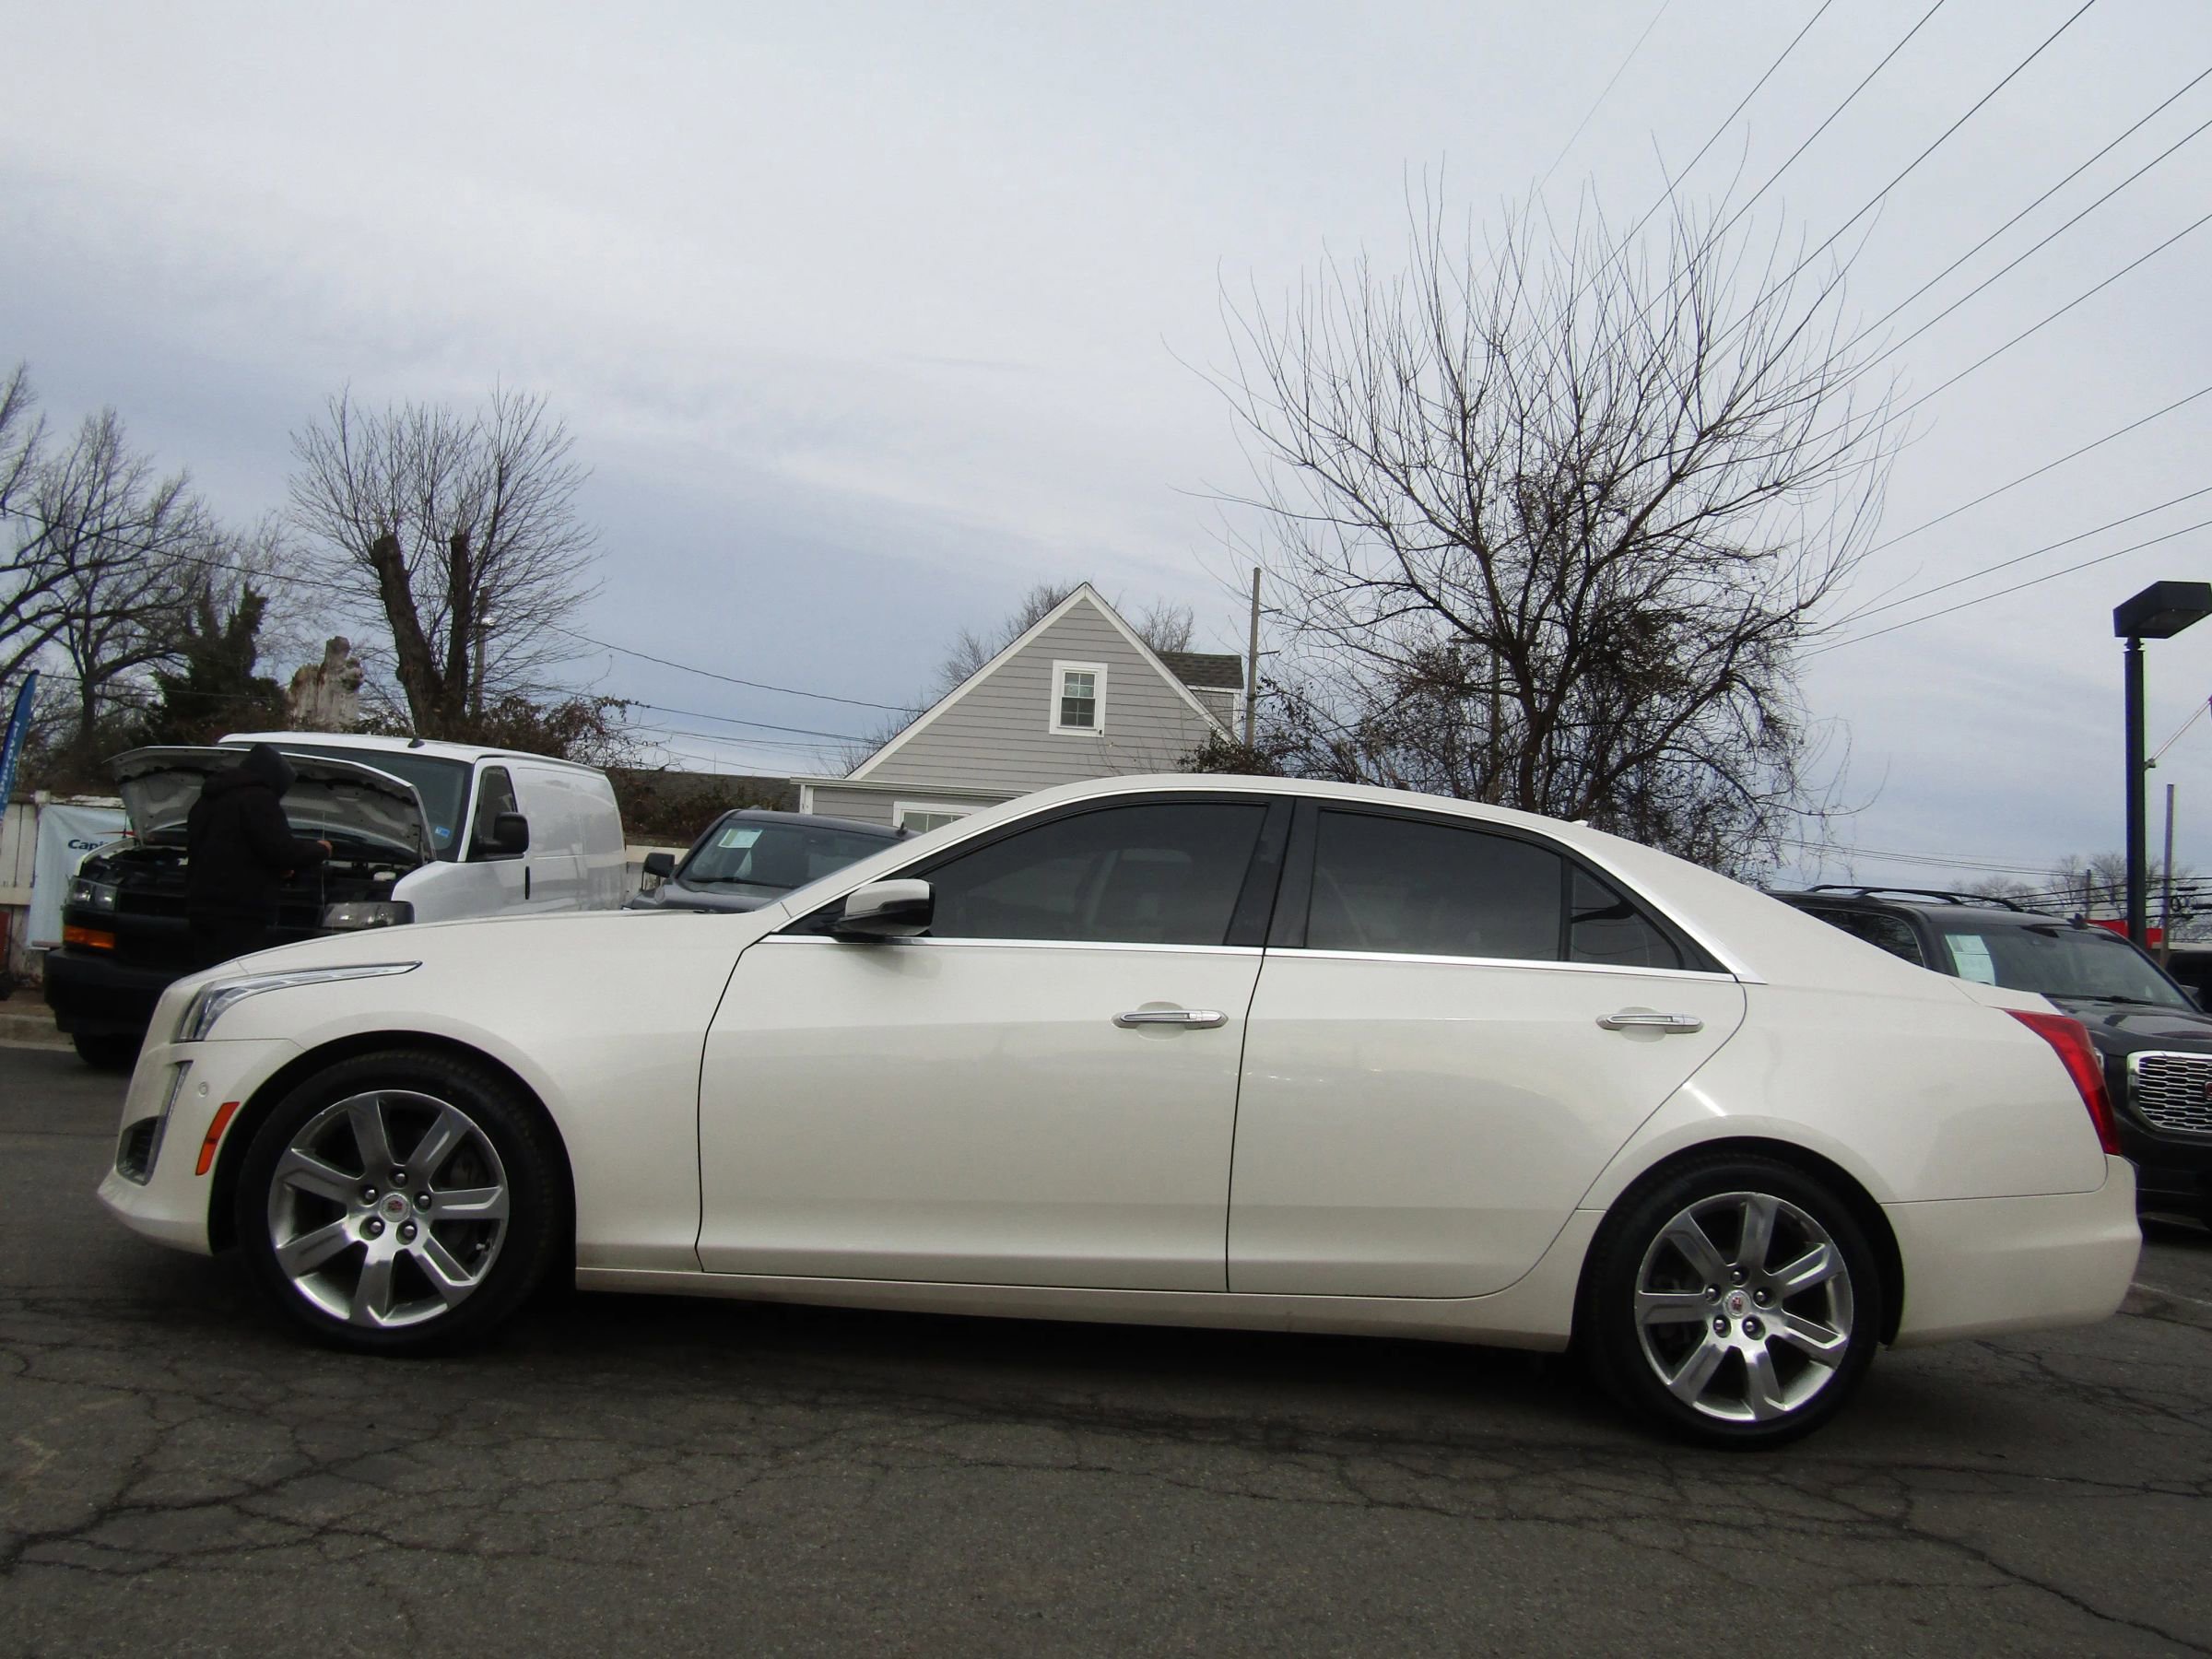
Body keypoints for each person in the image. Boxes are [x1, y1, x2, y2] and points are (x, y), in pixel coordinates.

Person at [184, 744, 333, 967]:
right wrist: (321, 849)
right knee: (234, 970)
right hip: (241, 909)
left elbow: (223, 847)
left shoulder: (207, 799)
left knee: (206, 969)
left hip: (201, 904)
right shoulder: (258, 799)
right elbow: (281, 850)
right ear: (275, 777)